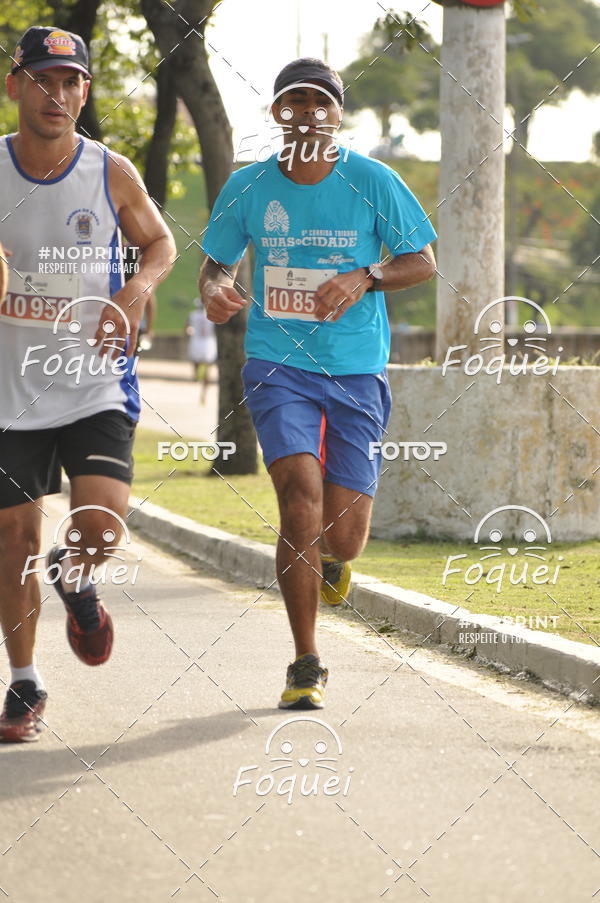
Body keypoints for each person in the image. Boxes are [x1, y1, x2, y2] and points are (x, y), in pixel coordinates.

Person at [199, 58, 436, 710]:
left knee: (342, 535)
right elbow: (215, 265)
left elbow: (421, 259)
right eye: (292, 101)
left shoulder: (373, 181)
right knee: (297, 495)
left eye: (318, 102)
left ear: (337, 114)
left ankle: (334, 560)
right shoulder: (249, 187)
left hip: (357, 368)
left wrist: (365, 276)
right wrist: (218, 289)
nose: (306, 112)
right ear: (277, 114)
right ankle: (306, 660)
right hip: (279, 365)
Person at [0, 26, 176, 742]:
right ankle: (25, 682)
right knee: (12, 537)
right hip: (12, 388)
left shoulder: (109, 169)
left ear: (85, 93)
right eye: (43, 79)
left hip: (95, 380)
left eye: (71, 82)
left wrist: (137, 287)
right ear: (15, 86)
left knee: (100, 526)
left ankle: (75, 576)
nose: (57, 94)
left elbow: (160, 243)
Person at [185, 297, 218, 403]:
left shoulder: (193, 315)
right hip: (209, 343)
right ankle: (204, 389)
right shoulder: (213, 315)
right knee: (208, 367)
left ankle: (197, 376)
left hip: (197, 341)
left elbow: (186, 328)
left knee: (196, 362)